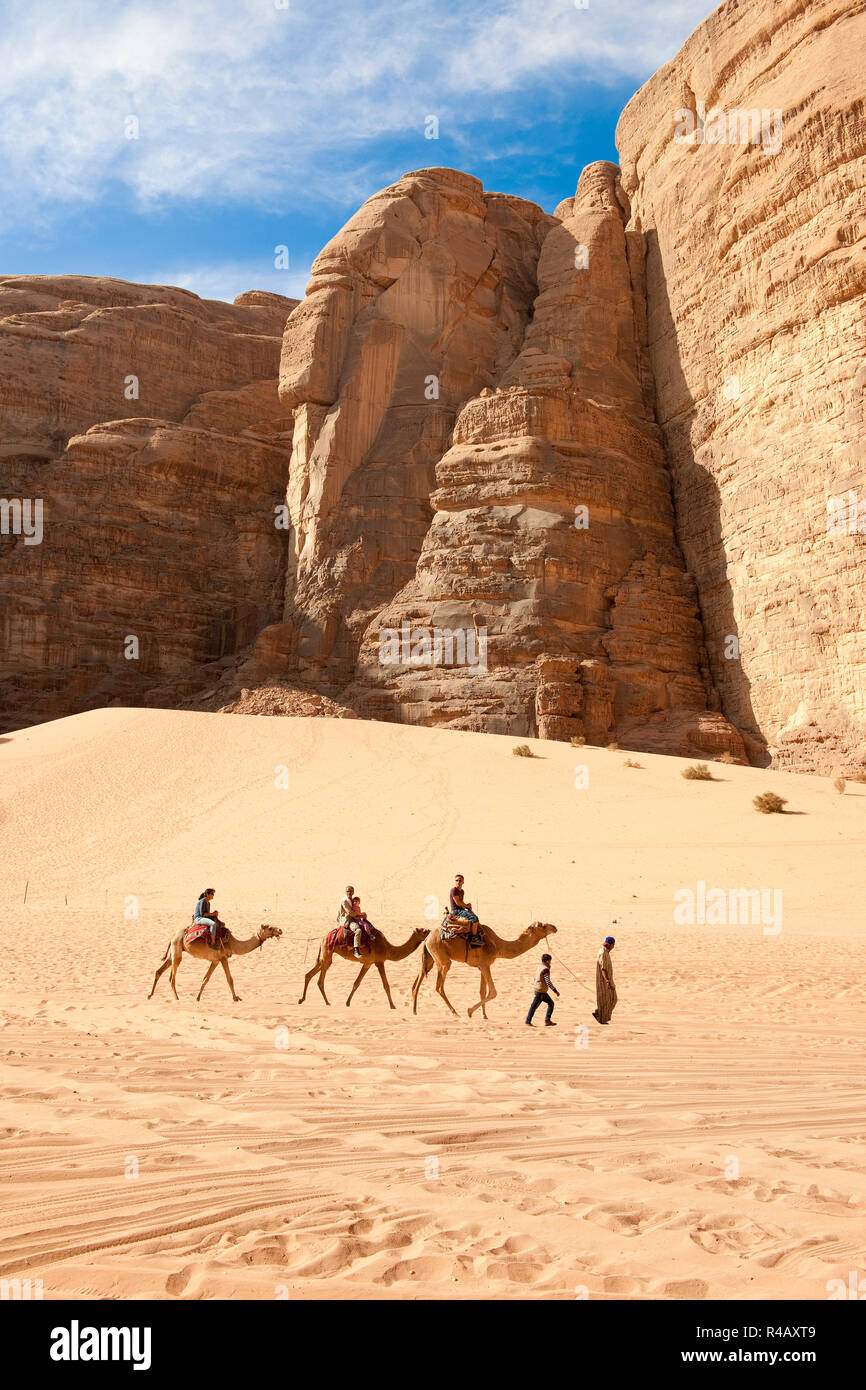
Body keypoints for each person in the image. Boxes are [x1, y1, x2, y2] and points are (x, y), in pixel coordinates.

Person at [525, 953, 559, 1026]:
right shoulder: (545, 969)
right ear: (547, 961)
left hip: (538, 989)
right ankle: (528, 1021)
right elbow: (548, 981)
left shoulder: (540, 966)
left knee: (549, 1004)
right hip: (541, 991)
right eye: (550, 960)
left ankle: (547, 1021)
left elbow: (535, 977)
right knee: (534, 1007)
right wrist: (555, 991)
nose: (550, 962)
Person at [593, 935, 617, 1025]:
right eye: (613, 945)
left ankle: (600, 1014)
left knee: (611, 999)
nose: (613, 947)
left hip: (608, 980)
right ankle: (601, 1018)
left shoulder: (605, 952)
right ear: (609, 945)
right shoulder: (603, 953)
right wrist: (607, 981)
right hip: (603, 981)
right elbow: (603, 969)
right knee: (608, 1000)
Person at [337, 884, 363, 959]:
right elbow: (350, 913)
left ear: (353, 892)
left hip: (354, 918)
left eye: (351, 891)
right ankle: (356, 950)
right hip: (348, 920)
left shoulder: (352, 900)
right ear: (345, 892)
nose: (349, 892)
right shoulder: (344, 901)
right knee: (358, 930)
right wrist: (360, 915)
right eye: (348, 891)